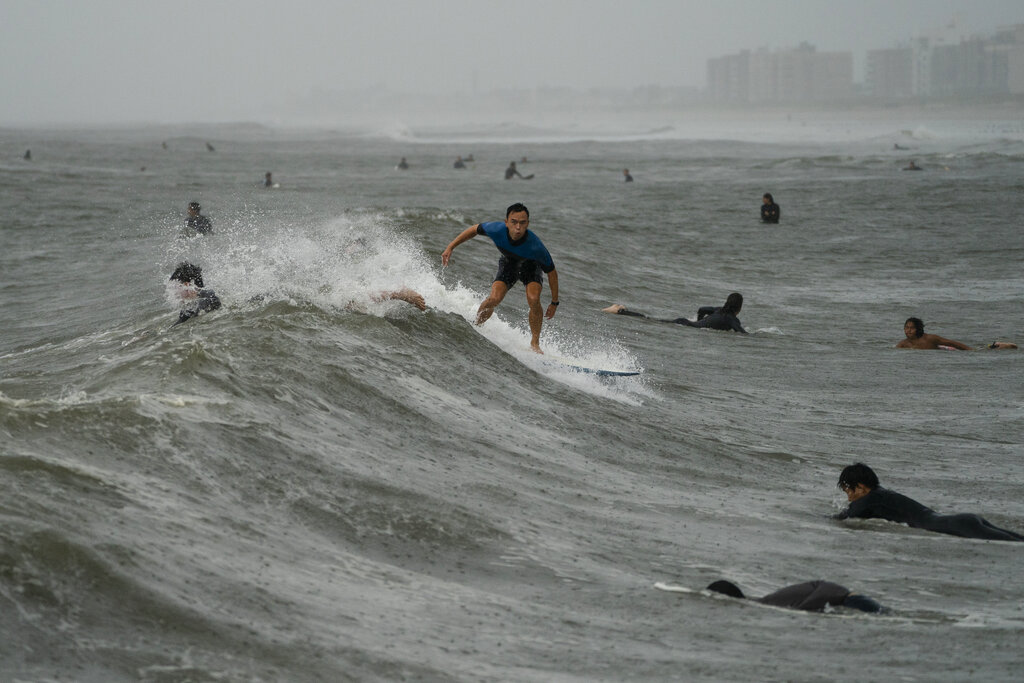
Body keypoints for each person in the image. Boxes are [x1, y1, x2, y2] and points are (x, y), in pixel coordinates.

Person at [441, 202, 559, 353]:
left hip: (531, 267)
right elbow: (473, 229)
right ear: (506, 222)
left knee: (534, 299)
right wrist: (450, 247)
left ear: (527, 224)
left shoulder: (536, 247)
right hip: (509, 264)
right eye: (514, 222)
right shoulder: (496, 229)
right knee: (494, 298)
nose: (518, 227)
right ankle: (476, 326)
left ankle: (535, 343)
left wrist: (554, 303)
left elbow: (552, 273)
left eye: (522, 223)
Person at [835, 463, 1024, 542]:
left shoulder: (870, 500)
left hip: (955, 527)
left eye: (848, 491)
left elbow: (844, 517)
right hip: (962, 521)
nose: (849, 497)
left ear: (860, 487)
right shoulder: (883, 493)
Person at [706, 579, 883, 613]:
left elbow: (825, 586)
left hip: (853, 601)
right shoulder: (768, 601)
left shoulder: (768, 604)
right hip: (853, 599)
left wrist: (803, 611)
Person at [602, 293, 747, 334]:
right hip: (687, 327)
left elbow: (702, 309)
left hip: (685, 322)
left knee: (651, 320)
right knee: (650, 320)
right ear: (739, 308)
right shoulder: (732, 320)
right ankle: (620, 311)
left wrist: (698, 321)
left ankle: (622, 311)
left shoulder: (718, 310)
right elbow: (742, 334)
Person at [896, 317, 971, 350]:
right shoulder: (903, 344)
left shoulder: (930, 339)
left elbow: (952, 343)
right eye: (906, 328)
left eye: (912, 328)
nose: (908, 330)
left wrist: (969, 350)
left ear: (918, 329)